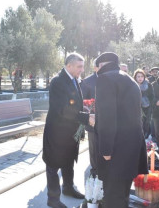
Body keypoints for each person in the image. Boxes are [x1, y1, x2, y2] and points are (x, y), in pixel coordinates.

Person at [94, 52, 148, 208]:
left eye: (97, 66)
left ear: (102, 65)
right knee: (123, 195)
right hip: (131, 147)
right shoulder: (129, 79)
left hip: (116, 149)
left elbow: (108, 117)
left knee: (112, 198)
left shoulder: (105, 79)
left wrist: (105, 150)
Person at [42, 53, 95, 208]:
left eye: (82, 66)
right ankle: (53, 199)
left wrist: (85, 109)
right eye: (79, 66)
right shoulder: (58, 82)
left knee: (68, 160)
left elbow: (73, 103)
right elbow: (63, 110)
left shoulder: (72, 79)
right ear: (69, 65)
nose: (82, 70)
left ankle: (68, 188)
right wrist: (86, 118)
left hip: (70, 130)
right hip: (57, 132)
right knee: (53, 165)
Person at [80, 59, 98, 177]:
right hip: (92, 120)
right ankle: (95, 171)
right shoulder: (87, 81)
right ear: (95, 67)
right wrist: (90, 110)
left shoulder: (110, 80)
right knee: (94, 147)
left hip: (109, 121)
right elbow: (81, 101)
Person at [134, 69, 154, 138]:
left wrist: (151, 106)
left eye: (141, 76)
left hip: (147, 106)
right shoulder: (133, 85)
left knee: (146, 122)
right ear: (135, 77)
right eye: (138, 76)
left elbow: (152, 96)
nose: (140, 78)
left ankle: (146, 136)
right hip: (136, 106)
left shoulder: (148, 85)